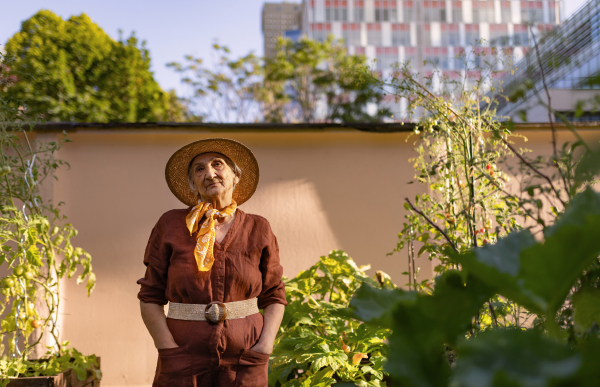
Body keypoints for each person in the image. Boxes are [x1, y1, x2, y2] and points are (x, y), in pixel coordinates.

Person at [137, 138, 286, 387]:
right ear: (192, 183)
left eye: (218, 165)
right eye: (199, 169)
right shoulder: (171, 225)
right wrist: (168, 350)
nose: (210, 173)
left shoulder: (258, 227)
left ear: (235, 176)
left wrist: (264, 347)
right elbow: (150, 295)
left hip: (246, 360)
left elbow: (274, 295)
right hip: (182, 359)